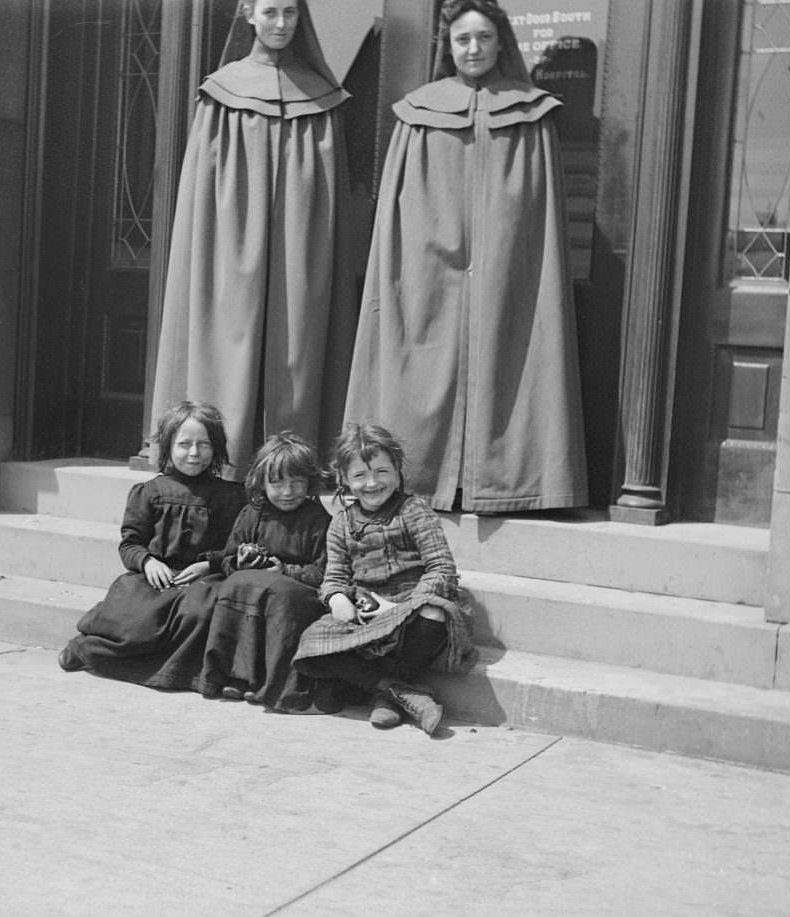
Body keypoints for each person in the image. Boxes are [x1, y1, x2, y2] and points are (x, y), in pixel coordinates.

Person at [344, 0, 588, 513]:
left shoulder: (532, 115)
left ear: (501, 42)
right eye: (462, 39)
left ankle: (507, 482)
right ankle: (426, 476)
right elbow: (397, 213)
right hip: (431, 269)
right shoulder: (418, 114)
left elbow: (537, 220)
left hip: (506, 274)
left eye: (482, 38)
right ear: (447, 45)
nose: (472, 49)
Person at [149, 0, 358, 478]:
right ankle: (222, 457)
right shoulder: (221, 94)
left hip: (300, 244)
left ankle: (291, 466)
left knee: (298, 333)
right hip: (230, 238)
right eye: (270, 12)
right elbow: (204, 194)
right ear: (248, 13)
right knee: (230, 321)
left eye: (289, 12)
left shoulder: (322, 99)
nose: (281, 23)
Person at [293, 423, 476, 735]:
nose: (372, 483)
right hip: (368, 612)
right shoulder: (341, 523)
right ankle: (400, 693)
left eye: (381, 471)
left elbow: (441, 568)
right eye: (360, 476)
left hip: (414, 606)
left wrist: (397, 608)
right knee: (311, 645)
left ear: (397, 470)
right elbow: (335, 576)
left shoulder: (413, 510)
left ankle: (386, 698)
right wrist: (338, 599)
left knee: (434, 613)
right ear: (344, 480)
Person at [58, 402, 245, 694]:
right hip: (155, 577)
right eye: (184, 444)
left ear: (216, 448)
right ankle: (88, 649)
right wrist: (147, 562)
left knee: (197, 615)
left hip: (201, 579)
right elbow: (130, 543)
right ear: (168, 446)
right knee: (136, 623)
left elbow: (235, 547)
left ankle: (184, 674)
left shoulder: (232, 496)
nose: (194, 454)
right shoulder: (150, 492)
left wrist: (210, 564)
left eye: (203, 445)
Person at [201, 431, 332, 712]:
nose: (287, 492)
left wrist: (286, 570)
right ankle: (236, 675)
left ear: (310, 483)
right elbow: (226, 558)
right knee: (237, 586)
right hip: (252, 589)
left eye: (297, 483)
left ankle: (271, 682)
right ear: (262, 483)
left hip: (296, 593)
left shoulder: (318, 520)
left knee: (277, 593)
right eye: (277, 483)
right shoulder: (253, 513)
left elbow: (325, 572)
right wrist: (241, 560)